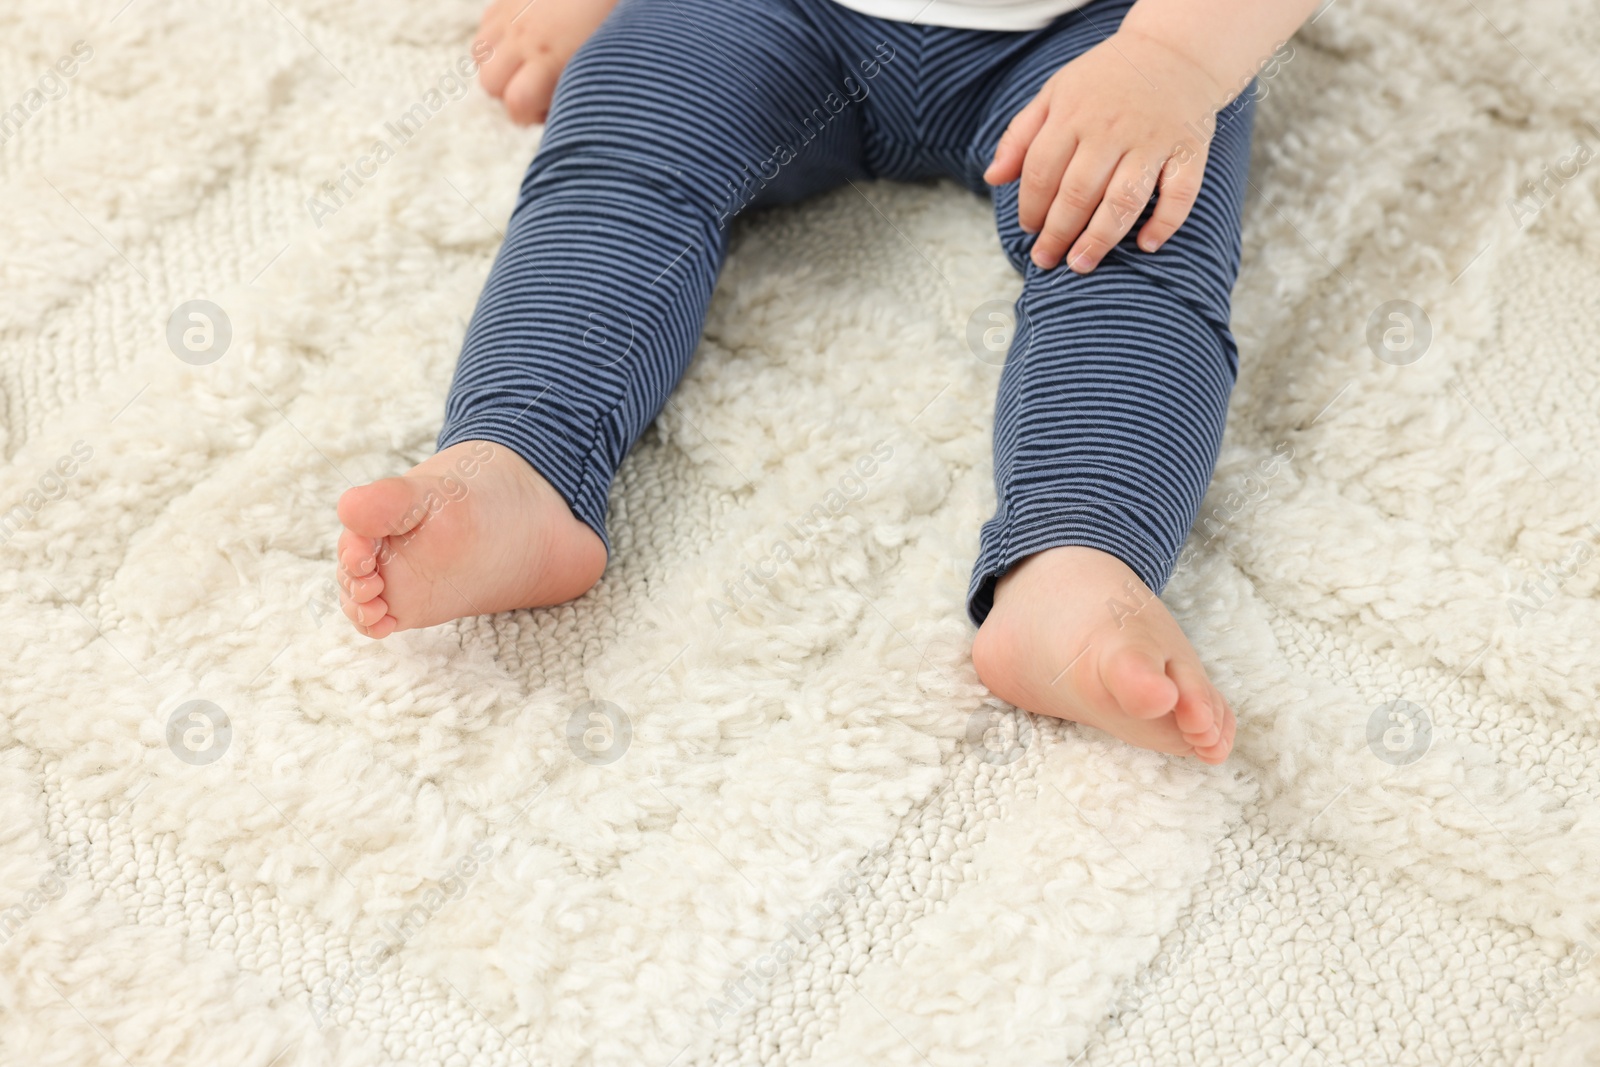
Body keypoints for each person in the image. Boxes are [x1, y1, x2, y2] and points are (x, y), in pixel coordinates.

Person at [334, 0, 1319, 763]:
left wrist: (1176, 63)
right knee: (625, 159)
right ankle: (519, 462)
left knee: (1136, 248)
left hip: (1101, 42)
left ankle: (1075, 562)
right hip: (775, 17)